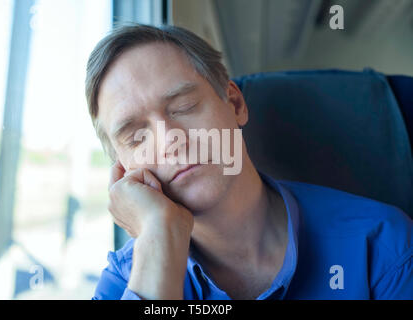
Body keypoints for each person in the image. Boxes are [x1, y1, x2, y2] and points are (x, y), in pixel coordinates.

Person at [85, 24, 412, 300]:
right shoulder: (126, 281)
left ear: (235, 103)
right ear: (124, 171)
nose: (170, 140)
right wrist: (158, 236)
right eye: (136, 137)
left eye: (183, 106)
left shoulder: (381, 247)